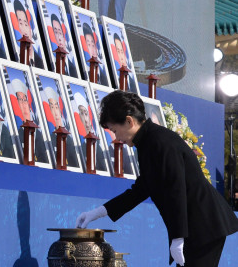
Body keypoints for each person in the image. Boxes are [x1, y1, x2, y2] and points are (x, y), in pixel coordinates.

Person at [76, 90, 238, 267]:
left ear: (129, 121)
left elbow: (176, 189)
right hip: (196, 227)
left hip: (204, 226)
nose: (116, 138)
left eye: (115, 130)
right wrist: (98, 212)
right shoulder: (147, 142)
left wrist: (177, 237)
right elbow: (141, 189)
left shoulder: (159, 141)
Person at [10, 78, 49, 164]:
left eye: (25, 99)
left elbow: (44, 159)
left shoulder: (38, 134)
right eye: (20, 99)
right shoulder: (16, 131)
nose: (23, 104)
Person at [44, 86, 79, 167]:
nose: (56, 112)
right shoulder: (49, 137)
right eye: (52, 107)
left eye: (57, 107)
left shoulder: (69, 139)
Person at [73, 91, 106, 171]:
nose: (86, 119)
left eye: (86, 113)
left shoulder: (98, 144)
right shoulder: (75, 141)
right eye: (81, 113)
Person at [13, 0, 43, 68]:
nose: (24, 29)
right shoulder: (17, 57)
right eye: (20, 24)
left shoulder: (40, 62)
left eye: (26, 24)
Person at [50, 13, 78, 78]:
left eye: (60, 33)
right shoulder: (51, 63)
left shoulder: (73, 69)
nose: (59, 38)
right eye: (56, 32)